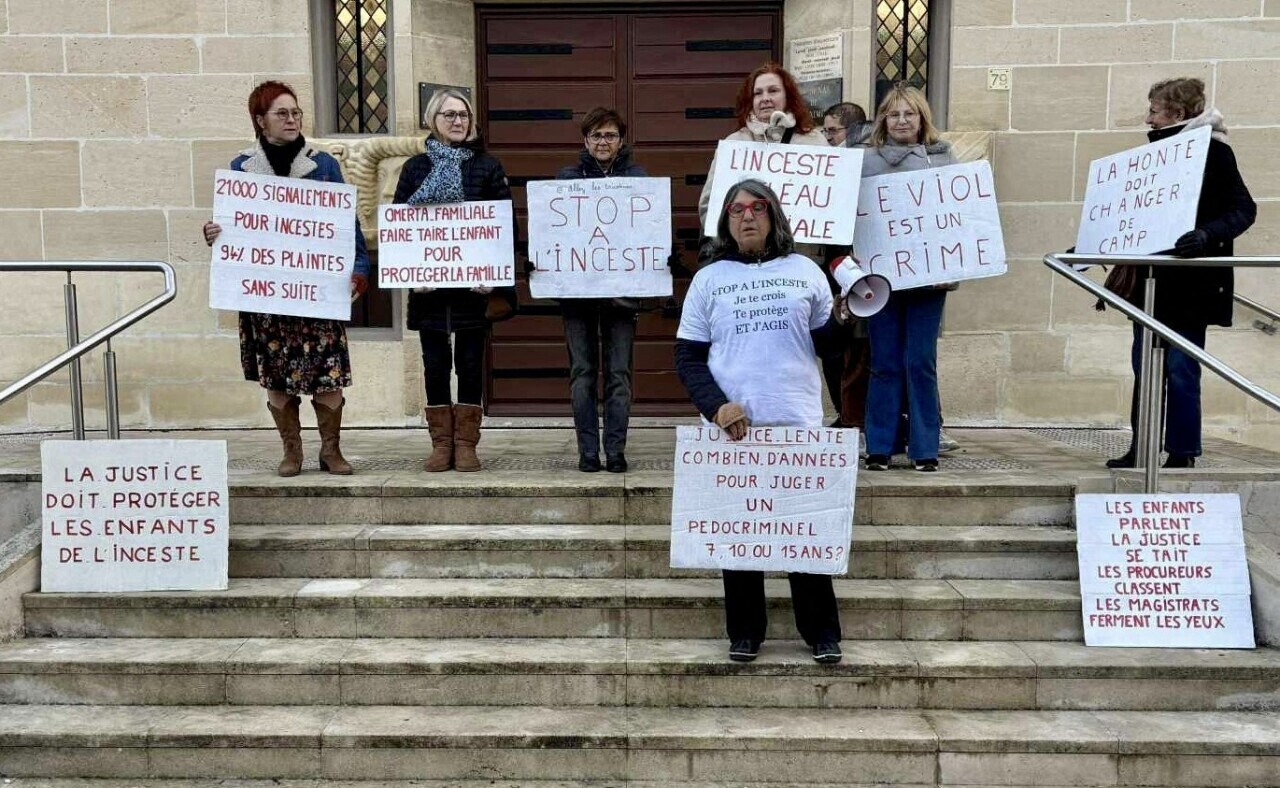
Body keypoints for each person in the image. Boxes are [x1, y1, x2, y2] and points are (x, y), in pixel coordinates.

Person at [675, 179, 845, 665]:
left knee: (803, 533)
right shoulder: (709, 279)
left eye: (757, 208)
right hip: (735, 425)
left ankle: (822, 633)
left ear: (773, 216)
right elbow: (688, 356)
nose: (746, 217)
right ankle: (745, 631)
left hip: (797, 422)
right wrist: (716, 406)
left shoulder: (805, 270)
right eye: (736, 210)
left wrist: (847, 320)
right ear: (725, 222)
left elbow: (827, 348)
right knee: (740, 533)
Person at [202, 80, 370, 478]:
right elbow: (236, 228)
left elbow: (347, 224)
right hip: (268, 296)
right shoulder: (241, 167)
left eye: (295, 112)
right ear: (260, 121)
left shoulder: (323, 164)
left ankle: (331, 451)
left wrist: (359, 269)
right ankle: (291, 451)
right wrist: (214, 234)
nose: (292, 119)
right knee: (277, 375)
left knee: (328, 373)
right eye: (282, 113)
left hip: (316, 293)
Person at [1105, 77, 1255, 470]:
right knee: (1145, 367)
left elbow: (1243, 210)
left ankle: (1182, 451)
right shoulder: (1153, 156)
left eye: (1154, 110)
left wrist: (1206, 236)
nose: (1149, 118)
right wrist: (1097, 241)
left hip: (1191, 285)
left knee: (1181, 368)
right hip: (1152, 283)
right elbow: (1132, 212)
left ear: (1178, 114)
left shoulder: (1214, 154)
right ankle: (1143, 448)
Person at [392, 88, 516, 473]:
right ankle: (440, 443)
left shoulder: (488, 167)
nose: (458, 122)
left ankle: (466, 444)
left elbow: (503, 227)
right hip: (430, 292)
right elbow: (400, 225)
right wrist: (413, 274)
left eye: (463, 115)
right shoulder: (415, 168)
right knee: (433, 364)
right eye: (449, 115)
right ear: (434, 121)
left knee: (469, 363)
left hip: (472, 292)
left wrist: (493, 276)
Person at [860, 84, 957, 473]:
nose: (901, 121)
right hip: (880, 280)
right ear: (884, 119)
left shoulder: (943, 160)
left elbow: (958, 221)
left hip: (927, 282)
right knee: (883, 361)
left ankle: (924, 447)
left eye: (909, 114)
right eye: (894, 114)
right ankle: (880, 445)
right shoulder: (863, 162)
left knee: (920, 360)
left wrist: (951, 270)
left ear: (922, 119)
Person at [552, 107, 647, 473]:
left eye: (609, 135)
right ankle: (588, 452)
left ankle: (616, 450)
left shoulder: (638, 179)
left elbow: (649, 226)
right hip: (577, 295)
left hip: (622, 295)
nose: (603, 142)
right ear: (585, 141)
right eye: (596, 135)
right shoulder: (568, 178)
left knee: (619, 374)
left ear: (621, 141)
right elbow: (554, 230)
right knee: (583, 373)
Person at [696, 63, 827, 231]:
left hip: (802, 253)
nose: (765, 98)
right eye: (758, 93)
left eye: (773, 91)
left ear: (789, 97)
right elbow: (709, 205)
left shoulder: (814, 141)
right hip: (745, 254)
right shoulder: (734, 144)